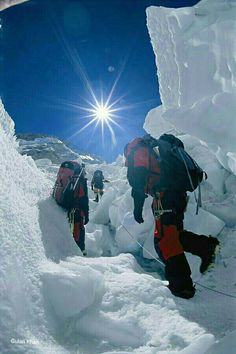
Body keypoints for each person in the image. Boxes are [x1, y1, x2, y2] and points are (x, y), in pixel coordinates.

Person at [125, 134, 219, 299]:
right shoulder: (151, 151)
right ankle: (206, 247)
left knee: (165, 239)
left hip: (164, 195)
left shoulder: (137, 150)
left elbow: (139, 177)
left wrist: (138, 206)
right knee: (173, 235)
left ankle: (182, 287)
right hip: (175, 195)